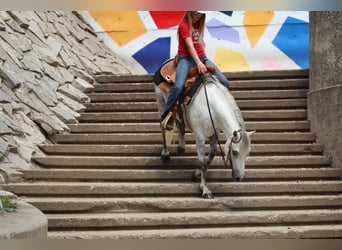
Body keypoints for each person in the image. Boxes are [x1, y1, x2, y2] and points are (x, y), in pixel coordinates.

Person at [161, 11, 229, 129]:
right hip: (186, 59)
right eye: (197, 13)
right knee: (177, 87)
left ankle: (224, 112)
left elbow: (200, 42)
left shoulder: (199, 24)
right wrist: (198, 63)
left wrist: (204, 58)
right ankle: (168, 115)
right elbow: (189, 46)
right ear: (191, 11)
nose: (199, 16)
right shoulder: (184, 25)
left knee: (225, 82)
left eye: (201, 14)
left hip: (202, 58)